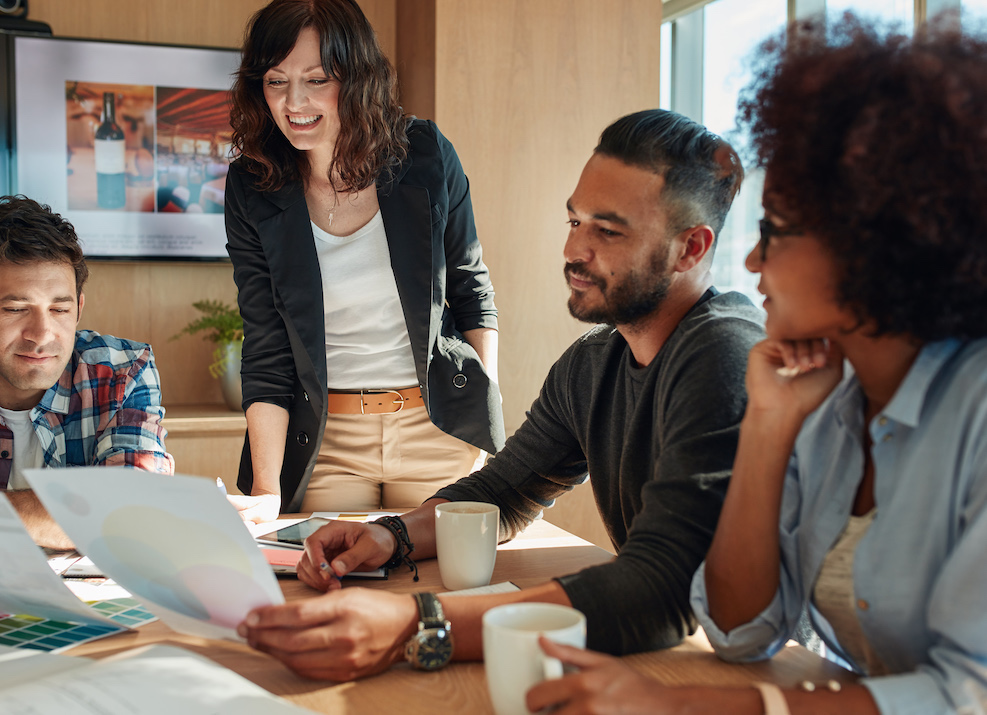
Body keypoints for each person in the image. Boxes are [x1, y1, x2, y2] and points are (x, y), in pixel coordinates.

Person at [525, 15, 987, 715]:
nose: (748, 260)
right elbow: (741, 631)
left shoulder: (976, 411)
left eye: (773, 232)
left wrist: (681, 706)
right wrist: (769, 427)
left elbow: (966, 694)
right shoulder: (826, 402)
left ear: (875, 240)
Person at [237, 109, 765, 680]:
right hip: (668, 657)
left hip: (748, 675)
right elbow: (504, 489)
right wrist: (387, 536)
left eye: (607, 231)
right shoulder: (592, 364)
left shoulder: (724, 354)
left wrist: (416, 623)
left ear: (691, 249)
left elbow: (662, 585)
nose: (574, 251)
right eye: (574, 222)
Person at [225, 0, 504, 522]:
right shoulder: (252, 184)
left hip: (436, 427)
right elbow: (264, 343)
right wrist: (266, 491)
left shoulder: (425, 154)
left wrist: (481, 426)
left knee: (447, 587)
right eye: (276, 81)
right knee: (328, 581)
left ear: (356, 79)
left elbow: (472, 294)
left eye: (317, 79)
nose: (294, 102)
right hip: (328, 441)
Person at [0, 195, 174, 549]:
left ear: (79, 308)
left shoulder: (123, 371)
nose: (42, 334)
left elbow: (134, 513)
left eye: (59, 310)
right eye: (16, 308)